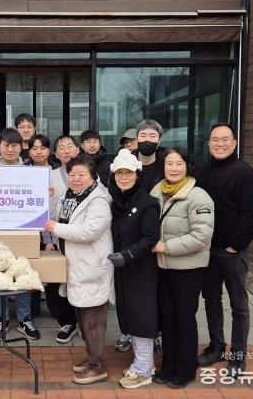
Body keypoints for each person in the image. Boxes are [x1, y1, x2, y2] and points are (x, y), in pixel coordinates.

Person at [195, 123, 253, 378]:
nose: (220, 144)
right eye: (215, 139)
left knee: (238, 305)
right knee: (211, 299)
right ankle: (217, 347)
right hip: (207, 249)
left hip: (233, 251)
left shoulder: (245, 173)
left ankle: (238, 354)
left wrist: (236, 245)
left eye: (225, 139)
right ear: (209, 143)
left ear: (234, 143)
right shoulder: (202, 172)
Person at [44, 157, 114, 385]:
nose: (76, 178)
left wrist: (57, 228)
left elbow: (89, 231)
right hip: (77, 266)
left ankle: (98, 367)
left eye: (81, 174)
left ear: (93, 176)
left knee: (93, 322)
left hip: (91, 267)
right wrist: (50, 198)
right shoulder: (70, 196)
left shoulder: (98, 200)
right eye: (72, 174)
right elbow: (56, 218)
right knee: (83, 318)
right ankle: (93, 357)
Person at [150, 147, 214, 389]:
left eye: (179, 163)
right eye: (169, 163)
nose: (174, 168)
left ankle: (186, 370)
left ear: (188, 166)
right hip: (162, 268)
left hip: (188, 269)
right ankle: (169, 365)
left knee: (184, 319)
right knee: (167, 319)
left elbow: (201, 236)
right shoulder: (157, 191)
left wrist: (165, 247)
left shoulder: (198, 196)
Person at [106, 150, 161, 389]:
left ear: (137, 175)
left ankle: (145, 368)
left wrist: (127, 255)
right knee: (129, 314)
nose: (124, 177)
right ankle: (140, 361)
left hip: (141, 269)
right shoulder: (116, 202)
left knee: (141, 315)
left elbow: (150, 237)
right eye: (119, 173)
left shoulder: (148, 203)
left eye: (128, 173)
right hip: (122, 269)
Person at [0, 128, 40, 340]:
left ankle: (24, 319)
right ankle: (0, 318)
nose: (10, 149)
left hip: (24, 230)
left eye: (14, 145)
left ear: (21, 147)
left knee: (23, 273)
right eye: (6, 145)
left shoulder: (31, 172)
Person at [46, 135, 80, 343]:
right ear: (56, 154)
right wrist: (48, 239)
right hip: (58, 238)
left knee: (80, 281)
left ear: (77, 150)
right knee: (60, 280)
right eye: (61, 147)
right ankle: (67, 322)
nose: (66, 150)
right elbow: (45, 211)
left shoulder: (89, 172)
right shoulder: (50, 175)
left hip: (83, 238)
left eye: (70, 146)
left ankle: (83, 321)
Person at [24, 134, 57, 316]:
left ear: (48, 151)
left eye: (42, 148)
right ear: (29, 151)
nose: (38, 152)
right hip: (30, 231)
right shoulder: (24, 173)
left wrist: (50, 239)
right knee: (30, 270)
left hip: (54, 230)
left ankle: (55, 308)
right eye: (34, 148)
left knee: (52, 271)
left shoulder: (57, 173)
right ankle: (32, 309)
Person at [133, 119, 167, 192]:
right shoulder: (125, 162)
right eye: (143, 135)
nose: (147, 139)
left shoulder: (167, 164)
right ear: (136, 139)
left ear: (159, 140)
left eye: (152, 136)